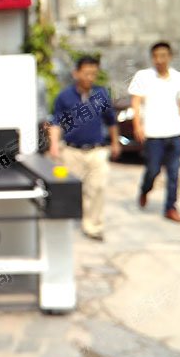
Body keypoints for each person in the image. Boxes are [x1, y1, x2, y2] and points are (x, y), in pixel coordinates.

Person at [49, 56, 121, 241]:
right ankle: (73, 220)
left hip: (97, 150)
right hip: (71, 151)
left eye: (94, 74)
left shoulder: (101, 95)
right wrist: (54, 145)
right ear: (76, 73)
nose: (90, 77)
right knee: (73, 189)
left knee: (97, 188)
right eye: (87, 73)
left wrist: (115, 142)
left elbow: (111, 121)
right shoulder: (64, 97)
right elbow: (56, 123)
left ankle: (93, 226)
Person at [128, 42, 180, 223]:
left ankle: (171, 207)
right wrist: (137, 125)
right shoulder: (143, 76)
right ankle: (145, 189)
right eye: (155, 56)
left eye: (163, 56)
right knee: (153, 170)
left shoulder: (179, 78)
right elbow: (136, 102)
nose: (159, 60)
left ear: (170, 57)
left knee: (174, 173)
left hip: (174, 132)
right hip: (153, 133)